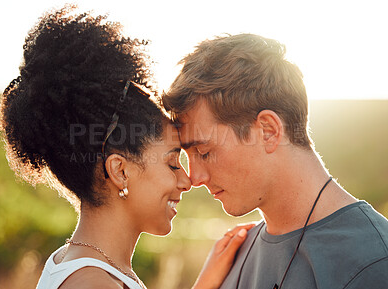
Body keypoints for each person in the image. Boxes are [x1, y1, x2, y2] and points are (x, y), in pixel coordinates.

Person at [0, 6, 254, 289]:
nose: (187, 180)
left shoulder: (81, 266)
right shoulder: (93, 284)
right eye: (172, 163)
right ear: (120, 171)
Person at [162, 33, 388, 288]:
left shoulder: (373, 263)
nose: (194, 178)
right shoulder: (230, 257)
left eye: (204, 152)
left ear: (268, 131)